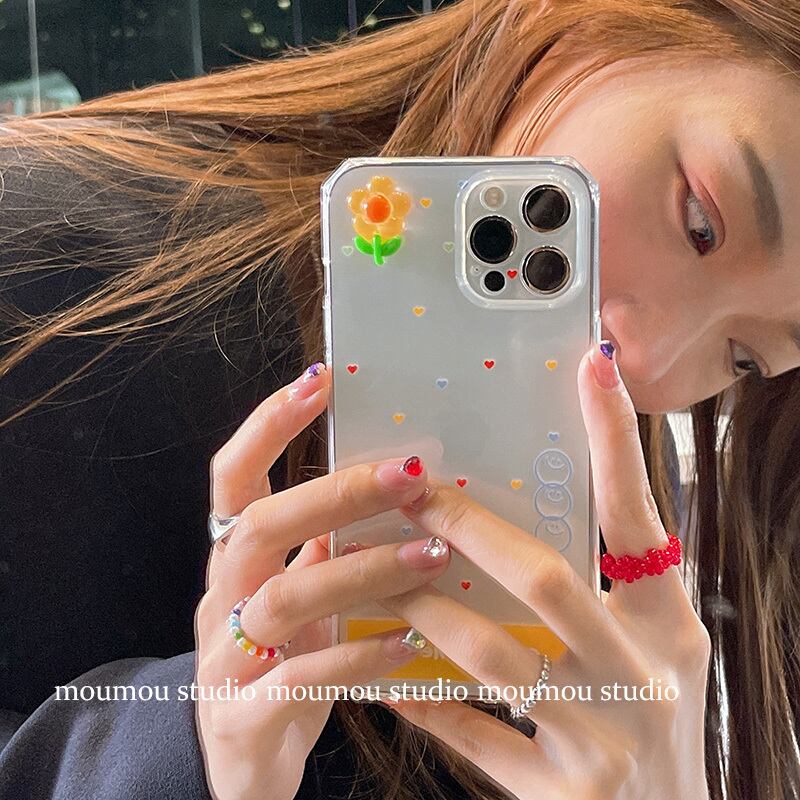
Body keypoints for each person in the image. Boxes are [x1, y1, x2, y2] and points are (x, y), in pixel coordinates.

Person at [0, 0, 798, 798]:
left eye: (744, 357)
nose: (651, 360)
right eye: (699, 220)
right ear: (585, 24)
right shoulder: (47, 268)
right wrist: (184, 756)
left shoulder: (611, 544)